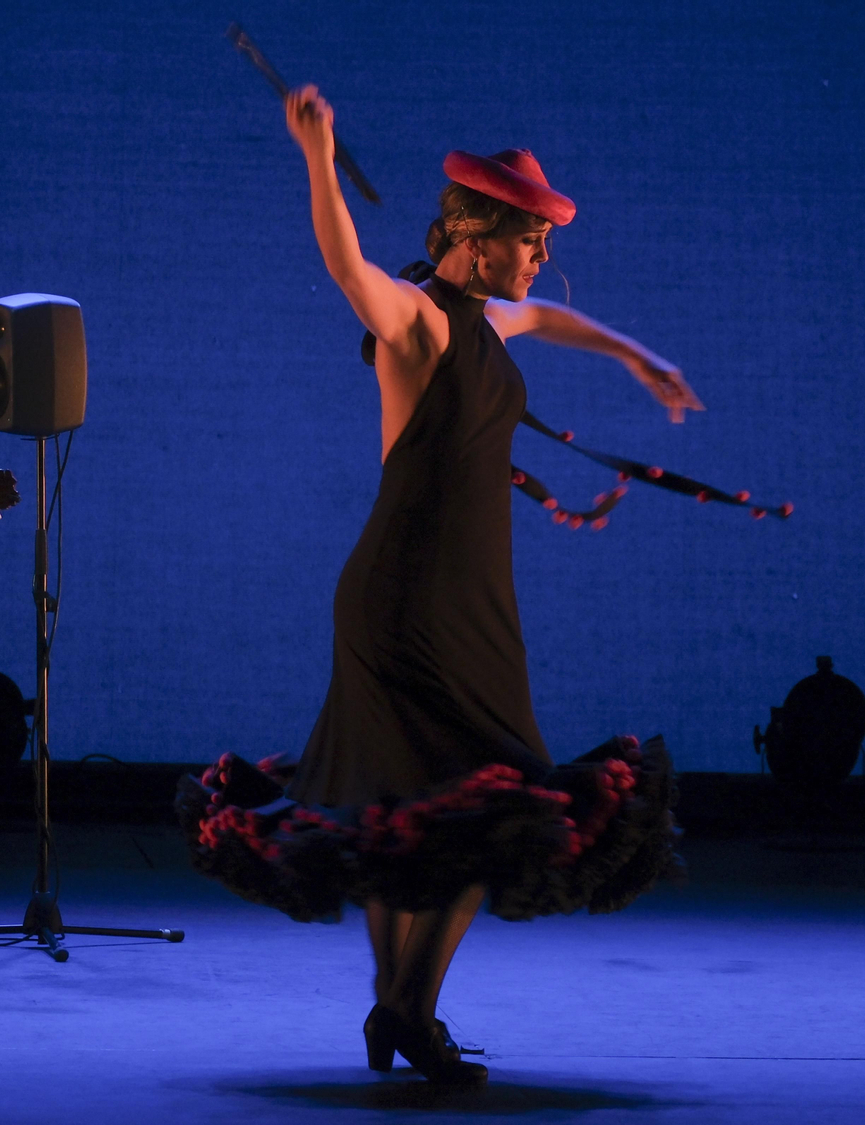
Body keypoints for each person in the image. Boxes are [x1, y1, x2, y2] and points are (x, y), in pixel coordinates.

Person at [178, 87, 694, 1084]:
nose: (539, 256)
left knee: (429, 803)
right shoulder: (415, 318)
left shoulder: (494, 320)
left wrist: (639, 356)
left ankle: (396, 1011)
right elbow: (344, 265)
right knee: (451, 794)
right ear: (474, 232)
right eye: (528, 238)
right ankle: (411, 1011)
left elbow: (547, 315)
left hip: (472, 598)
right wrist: (319, 154)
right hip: (403, 597)